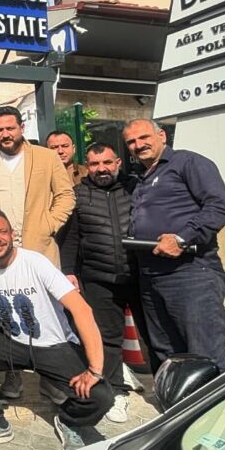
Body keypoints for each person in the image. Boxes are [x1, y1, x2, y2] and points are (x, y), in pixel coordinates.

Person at [0, 210, 113, 450]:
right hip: (13, 342)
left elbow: (82, 311)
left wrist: (95, 369)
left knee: (101, 397)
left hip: (54, 344)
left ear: (12, 234)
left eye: (2, 231)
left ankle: (70, 421)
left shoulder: (35, 262)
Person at [124, 119, 225, 373]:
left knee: (205, 355)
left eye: (144, 137)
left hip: (190, 273)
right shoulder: (140, 178)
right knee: (169, 357)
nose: (138, 145)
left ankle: (219, 400)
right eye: (131, 142)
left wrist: (182, 238)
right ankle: (180, 400)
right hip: (151, 277)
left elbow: (219, 207)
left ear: (162, 135)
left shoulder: (188, 162)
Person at [0, 106, 75, 399]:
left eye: (10, 128)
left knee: (48, 315)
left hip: (39, 248)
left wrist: (49, 224)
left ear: (21, 128)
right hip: (0, 252)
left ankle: (52, 378)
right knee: (4, 314)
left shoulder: (46, 157)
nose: (5, 134)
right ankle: (13, 375)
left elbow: (66, 194)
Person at [59, 142, 148, 424]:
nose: (101, 169)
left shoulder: (136, 188)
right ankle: (116, 392)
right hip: (99, 278)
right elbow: (71, 238)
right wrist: (68, 271)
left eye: (107, 163)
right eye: (95, 164)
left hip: (139, 274)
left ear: (118, 162)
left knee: (153, 334)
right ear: (87, 167)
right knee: (108, 338)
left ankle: (167, 385)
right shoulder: (79, 195)